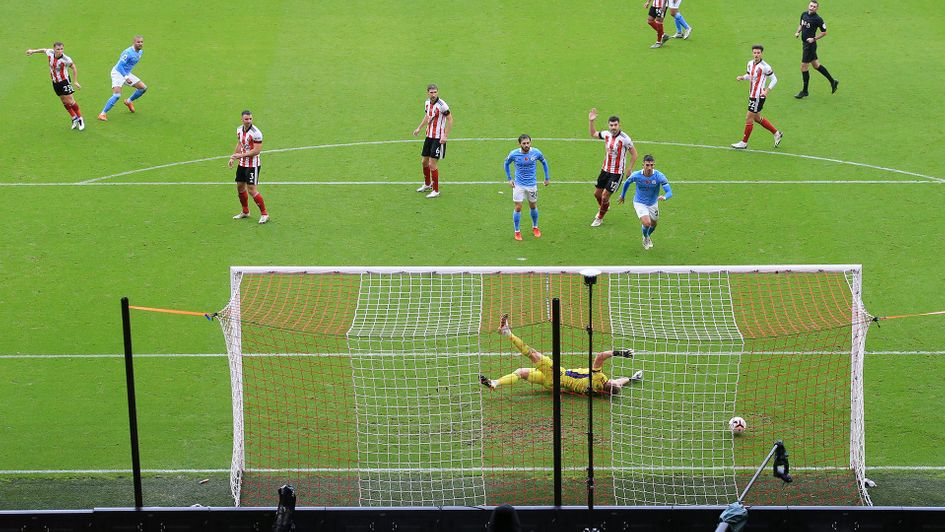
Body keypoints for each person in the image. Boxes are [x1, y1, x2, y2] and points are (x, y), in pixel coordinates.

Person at [480, 314, 643, 396]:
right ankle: (495, 383)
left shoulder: (598, 378)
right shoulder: (600, 392)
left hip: (557, 373)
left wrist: (622, 353)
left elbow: (600, 356)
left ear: (609, 382)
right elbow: (619, 383)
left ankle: (507, 332)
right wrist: (632, 378)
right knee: (521, 372)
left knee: (531, 353)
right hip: (553, 386)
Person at [588, 108, 638, 227]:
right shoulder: (606, 134)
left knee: (605, 196)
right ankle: (605, 206)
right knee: (597, 194)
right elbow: (593, 134)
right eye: (611, 125)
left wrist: (629, 168)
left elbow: (634, 154)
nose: (613, 127)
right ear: (608, 125)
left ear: (619, 125)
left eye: (615, 125)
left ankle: (600, 217)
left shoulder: (625, 139)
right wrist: (591, 121)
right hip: (605, 169)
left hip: (617, 173)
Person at [731, 45, 784, 150]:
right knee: (757, 118)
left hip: (758, 96)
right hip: (752, 94)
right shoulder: (750, 63)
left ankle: (744, 142)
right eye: (754, 53)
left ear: (761, 53)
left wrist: (767, 90)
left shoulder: (765, 67)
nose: (756, 55)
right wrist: (742, 77)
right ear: (752, 53)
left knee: (749, 117)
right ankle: (777, 133)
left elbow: (774, 79)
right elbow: (750, 76)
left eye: (758, 53)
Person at [25, 42, 85, 131]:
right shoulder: (50, 52)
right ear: (54, 49)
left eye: (61, 49)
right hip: (55, 82)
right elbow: (43, 50)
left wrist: (75, 81)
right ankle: (74, 118)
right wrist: (32, 51)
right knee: (63, 101)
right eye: (58, 49)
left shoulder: (66, 59)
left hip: (64, 81)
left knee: (71, 101)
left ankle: (80, 119)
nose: (60, 51)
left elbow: (74, 68)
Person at [618, 154, 672, 250]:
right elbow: (627, 182)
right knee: (647, 223)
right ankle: (646, 238)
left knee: (654, 224)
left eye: (652, 165)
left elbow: (669, 192)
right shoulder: (636, 175)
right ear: (643, 165)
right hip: (640, 203)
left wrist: (665, 197)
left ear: (654, 165)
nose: (649, 167)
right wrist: (623, 195)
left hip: (653, 203)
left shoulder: (659, 176)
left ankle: (646, 235)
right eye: (647, 165)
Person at [503, 135, 550, 241]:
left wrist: (547, 177)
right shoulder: (514, 154)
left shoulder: (536, 152)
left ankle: (535, 227)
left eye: (528, 143)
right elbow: (506, 164)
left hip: (532, 185)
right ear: (519, 144)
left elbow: (544, 162)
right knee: (518, 207)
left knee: (533, 206)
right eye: (524, 143)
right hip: (518, 185)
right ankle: (517, 231)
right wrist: (509, 179)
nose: (526, 145)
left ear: (531, 142)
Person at [412, 84, 453, 198]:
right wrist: (419, 128)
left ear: (437, 92)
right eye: (431, 92)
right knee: (424, 162)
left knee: (432, 164)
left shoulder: (442, 105)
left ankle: (436, 190)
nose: (433, 94)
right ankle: (427, 184)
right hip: (428, 136)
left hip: (438, 138)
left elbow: (450, 119)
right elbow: (427, 116)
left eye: (435, 92)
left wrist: (445, 135)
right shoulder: (427, 103)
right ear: (428, 93)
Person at [228, 110, 269, 224]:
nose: (249, 121)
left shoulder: (256, 133)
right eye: (246, 119)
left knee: (252, 190)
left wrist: (240, 155)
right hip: (242, 163)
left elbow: (256, 151)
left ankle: (264, 214)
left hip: (253, 165)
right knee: (240, 187)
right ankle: (245, 211)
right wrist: (233, 157)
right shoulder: (239, 130)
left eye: (250, 119)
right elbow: (240, 143)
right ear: (242, 119)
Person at [793, 0, 838, 99]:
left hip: (810, 46)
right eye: (811, 5)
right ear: (808, 5)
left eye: (814, 6)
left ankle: (805, 91)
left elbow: (824, 32)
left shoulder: (818, 19)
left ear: (817, 8)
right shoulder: (803, 14)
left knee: (803, 67)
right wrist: (797, 32)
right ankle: (833, 81)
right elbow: (801, 24)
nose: (812, 7)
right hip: (805, 44)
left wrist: (813, 39)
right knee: (816, 65)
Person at [98, 35, 148, 121]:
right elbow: (120, 65)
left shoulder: (140, 52)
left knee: (143, 88)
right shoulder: (128, 53)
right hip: (118, 73)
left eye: (141, 42)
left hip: (126, 73)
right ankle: (102, 114)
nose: (140, 44)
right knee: (117, 95)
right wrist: (126, 77)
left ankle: (128, 101)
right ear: (134, 43)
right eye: (138, 42)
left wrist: (127, 75)